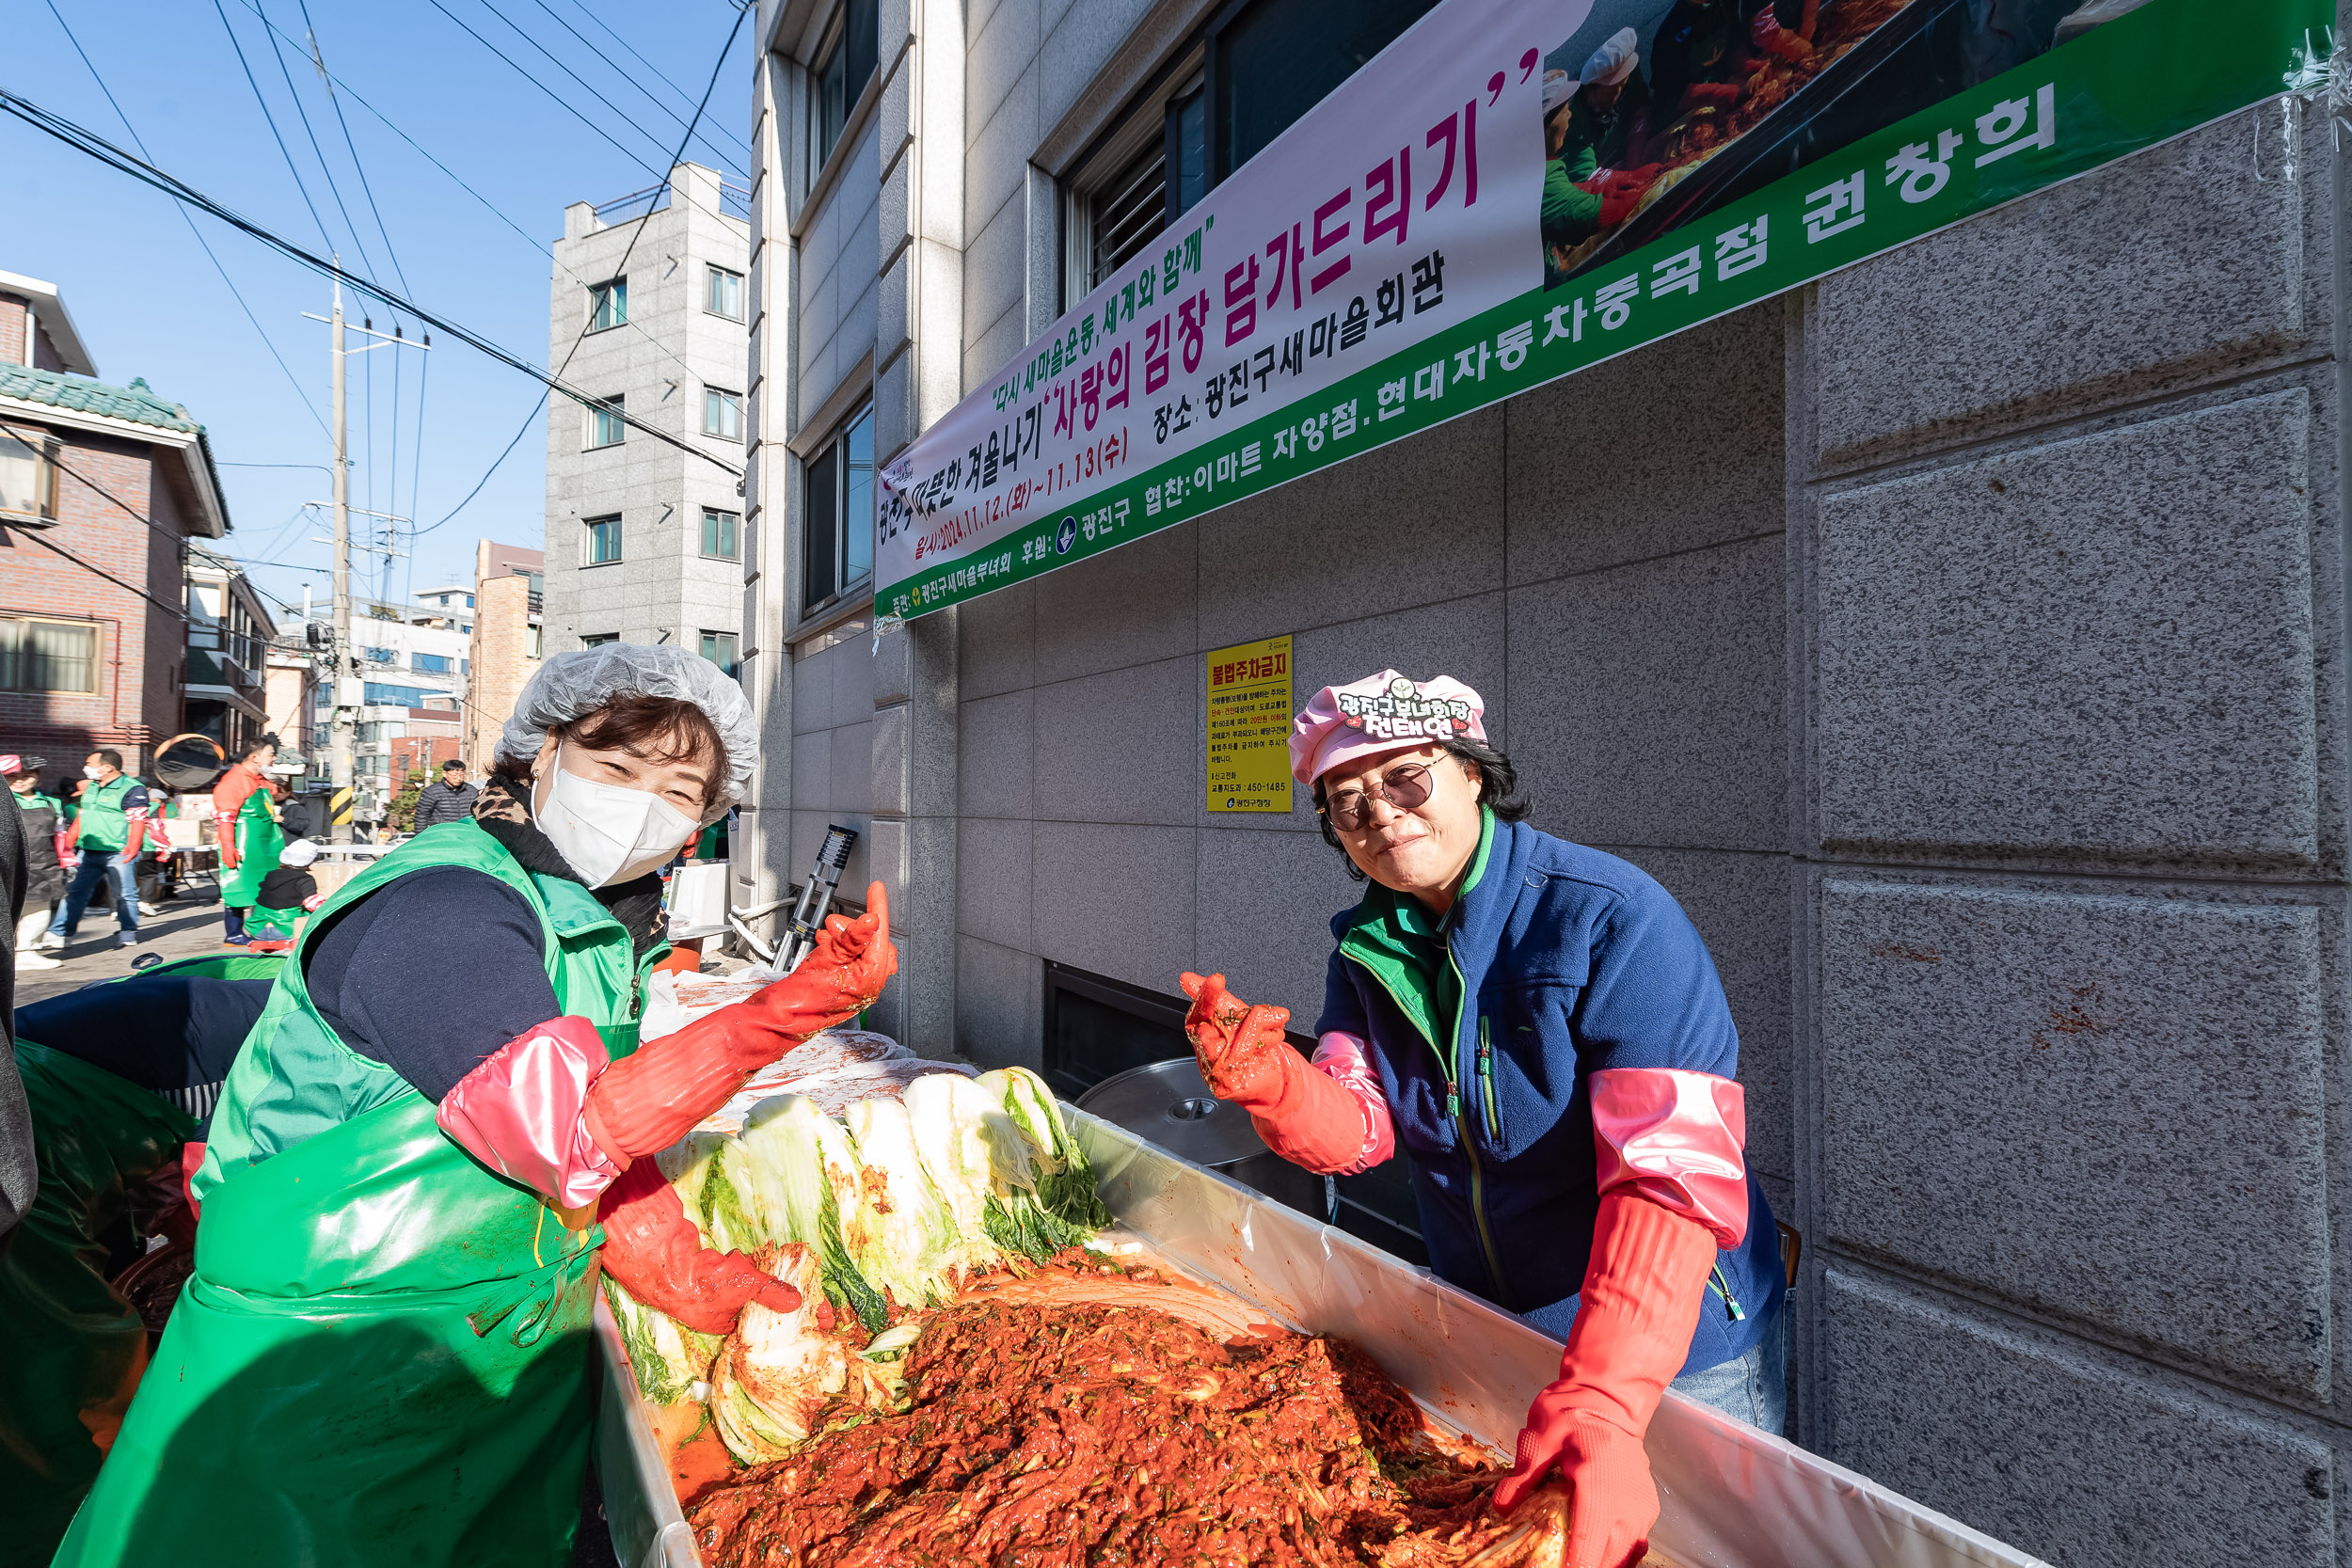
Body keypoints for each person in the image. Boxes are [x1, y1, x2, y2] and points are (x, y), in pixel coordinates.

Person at [55, 644, 898, 1568]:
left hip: (488, 1354)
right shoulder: (444, 904)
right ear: (538, 754)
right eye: (615, 768)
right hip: (320, 1376)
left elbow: (602, 1157)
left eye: (679, 790)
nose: (640, 805)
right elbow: (565, 1129)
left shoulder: (587, 924)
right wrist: (783, 1009)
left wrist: (679, 1264)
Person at [1179, 670, 1787, 1568]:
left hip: (1677, 1344)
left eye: (1405, 780)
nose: (1380, 814)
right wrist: (1273, 1081)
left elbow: (1671, 1174)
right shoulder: (1367, 946)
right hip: (1491, 1329)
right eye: (1346, 805)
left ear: (1471, 771)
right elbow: (1361, 1125)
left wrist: (1607, 1399)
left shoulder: (1611, 917)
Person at [45, 751, 151, 951]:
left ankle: (128, 931)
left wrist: (133, 846)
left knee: (124, 894)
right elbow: (83, 816)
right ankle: (60, 933)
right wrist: (68, 844)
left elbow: (138, 820)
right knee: (75, 892)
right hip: (88, 851)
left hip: (118, 851)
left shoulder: (132, 788)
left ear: (107, 767)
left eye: (90, 763)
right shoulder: (92, 787)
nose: (86, 767)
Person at [210, 736, 282, 947]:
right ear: (254, 757)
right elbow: (225, 817)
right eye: (270, 754)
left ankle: (258, 930)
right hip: (243, 843)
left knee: (261, 888)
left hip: (263, 843)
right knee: (238, 886)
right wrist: (228, 846)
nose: (274, 758)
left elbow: (275, 794)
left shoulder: (257, 779)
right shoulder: (234, 781)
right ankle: (233, 933)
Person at [6, 756, 64, 973]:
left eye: (27, 776)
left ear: (37, 777)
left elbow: (60, 836)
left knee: (39, 912)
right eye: (13, 776)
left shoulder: (52, 803)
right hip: (9, 866)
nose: (20, 780)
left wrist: (66, 860)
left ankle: (27, 953)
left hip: (43, 864)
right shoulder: (4, 801)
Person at [244, 837, 326, 951]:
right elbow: (313, 903)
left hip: (257, 928)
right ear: (310, 861)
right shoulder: (306, 879)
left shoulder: (271, 874)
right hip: (287, 930)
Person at [411, 757, 481, 830]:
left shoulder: (471, 791)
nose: (459, 778)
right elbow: (421, 817)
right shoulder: (432, 792)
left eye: (462, 774)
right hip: (442, 832)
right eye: (455, 775)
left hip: (466, 831)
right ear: (444, 773)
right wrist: (422, 837)